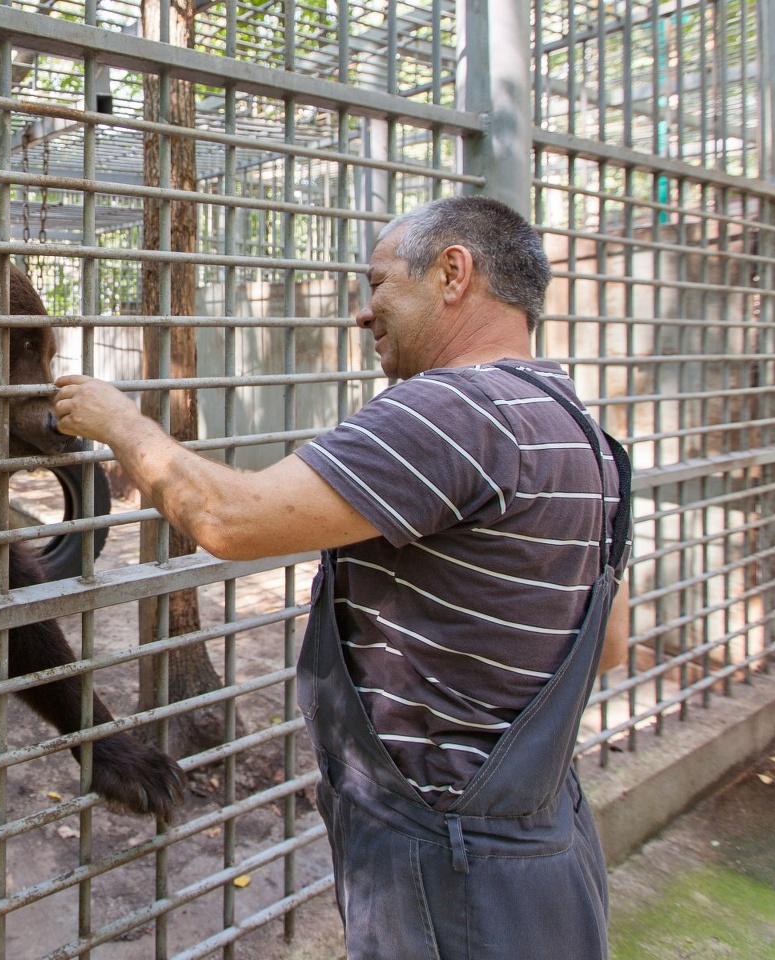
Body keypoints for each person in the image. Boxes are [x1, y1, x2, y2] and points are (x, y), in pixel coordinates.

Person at [53, 195, 631, 960]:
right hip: (548, 849)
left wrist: (120, 421)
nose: (365, 312)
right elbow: (613, 645)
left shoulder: (451, 412)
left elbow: (230, 520)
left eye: (380, 283)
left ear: (453, 273)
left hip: (446, 867)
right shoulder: (585, 436)